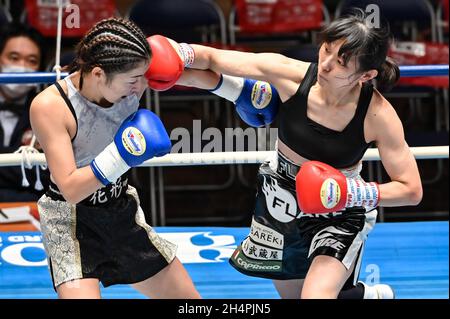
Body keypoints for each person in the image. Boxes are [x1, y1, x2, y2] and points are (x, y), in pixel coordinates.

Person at [170, 9, 423, 299]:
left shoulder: (378, 115)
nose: (325, 65)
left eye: (341, 63)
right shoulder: (291, 75)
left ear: (366, 75)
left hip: (339, 213)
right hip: (280, 201)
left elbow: (411, 190)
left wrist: (350, 193)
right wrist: (173, 55)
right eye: (326, 50)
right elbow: (213, 59)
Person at [30, 17, 200, 299]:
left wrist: (235, 90)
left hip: (120, 207)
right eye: (133, 80)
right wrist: (122, 155)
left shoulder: (135, 71)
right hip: (70, 221)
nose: (140, 87)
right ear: (98, 74)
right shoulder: (51, 106)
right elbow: (71, 189)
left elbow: (194, 74)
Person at [0, 22, 49, 202]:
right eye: (13, 58)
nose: (21, 66)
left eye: (31, 61)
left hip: (32, 208)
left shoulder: (49, 109)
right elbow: (31, 171)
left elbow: (46, 177)